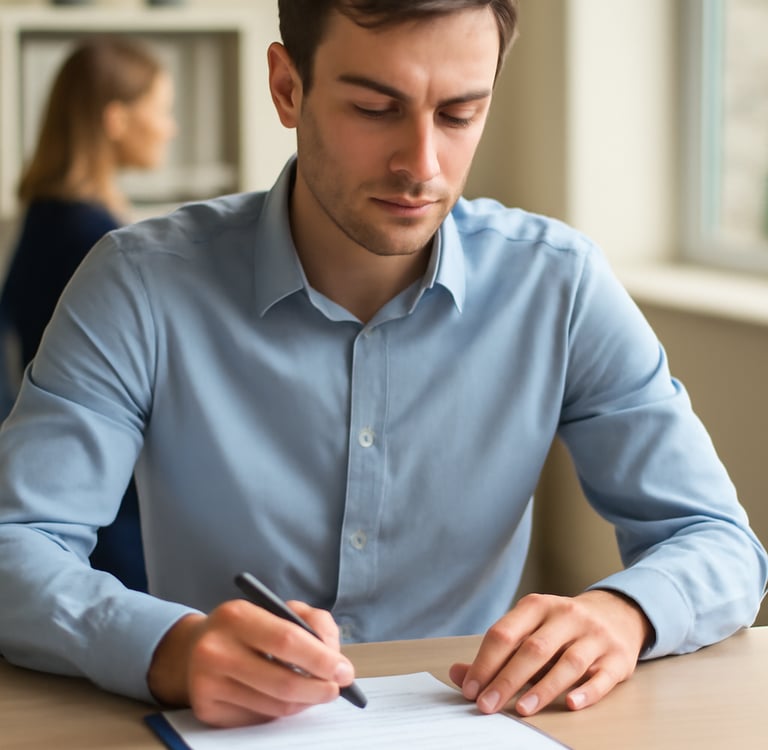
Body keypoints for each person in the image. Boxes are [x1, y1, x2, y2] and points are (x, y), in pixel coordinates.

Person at [0, 0, 765, 730]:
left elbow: (719, 542)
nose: (422, 165)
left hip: (478, 725)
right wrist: (167, 648)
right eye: (375, 109)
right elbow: (16, 543)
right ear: (286, 88)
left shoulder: (558, 286)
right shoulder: (138, 284)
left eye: (461, 113)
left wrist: (624, 614)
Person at [0, 37, 177, 591]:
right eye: (161, 109)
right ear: (116, 119)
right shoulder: (93, 242)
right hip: (104, 503)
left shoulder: (49, 216)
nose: (169, 127)